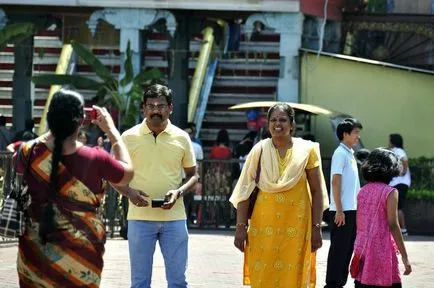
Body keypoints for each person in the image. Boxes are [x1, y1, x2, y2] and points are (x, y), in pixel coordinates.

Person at [15, 89, 147, 287]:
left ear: (50, 117)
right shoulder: (96, 158)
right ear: (81, 121)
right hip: (81, 255)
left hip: (35, 253)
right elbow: (127, 174)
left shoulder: (27, 151)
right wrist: (113, 133)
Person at [230, 103, 328, 287]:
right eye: (273, 120)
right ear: (267, 125)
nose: (278, 124)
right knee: (264, 276)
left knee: (294, 278)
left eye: (283, 120)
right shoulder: (258, 150)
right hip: (263, 227)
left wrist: (316, 227)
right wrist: (240, 227)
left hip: (297, 228)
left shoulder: (307, 150)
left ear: (292, 125)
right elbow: (244, 190)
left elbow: (317, 191)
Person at [112, 84, 198, 288]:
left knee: (178, 281)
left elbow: (193, 176)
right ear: (143, 109)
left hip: (175, 218)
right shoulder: (128, 137)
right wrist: (129, 192)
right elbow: (113, 175)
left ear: (170, 108)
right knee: (140, 282)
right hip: (139, 219)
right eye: (150, 106)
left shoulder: (182, 137)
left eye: (161, 106)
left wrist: (179, 192)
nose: (155, 110)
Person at [351, 148, 412, 288]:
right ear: (392, 168)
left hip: (363, 248)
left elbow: (360, 222)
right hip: (382, 249)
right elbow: (393, 225)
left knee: (363, 282)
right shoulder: (390, 192)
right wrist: (404, 256)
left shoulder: (362, 191)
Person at [325, 118, 363, 288]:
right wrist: (339, 210)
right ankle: (332, 284)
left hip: (352, 210)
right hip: (342, 211)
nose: (358, 136)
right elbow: (335, 182)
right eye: (355, 132)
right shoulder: (340, 153)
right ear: (345, 134)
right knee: (339, 249)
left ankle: (340, 282)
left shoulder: (350, 154)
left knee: (348, 249)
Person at [388, 134, 411, 236]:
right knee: (395, 207)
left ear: (393, 141)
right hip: (397, 183)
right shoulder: (394, 151)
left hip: (400, 183)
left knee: (397, 207)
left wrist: (403, 171)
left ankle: (403, 229)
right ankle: (399, 229)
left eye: (389, 140)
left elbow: (404, 160)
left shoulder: (398, 150)